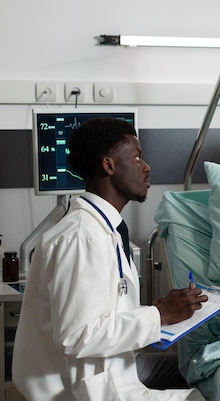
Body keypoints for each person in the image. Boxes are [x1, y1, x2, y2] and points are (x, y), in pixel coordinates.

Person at [12, 117, 207, 401]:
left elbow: (100, 312)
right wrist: (159, 315)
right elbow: (77, 336)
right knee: (202, 396)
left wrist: (154, 312)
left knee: (202, 366)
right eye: (138, 157)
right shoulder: (82, 237)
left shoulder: (105, 229)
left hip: (109, 369)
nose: (147, 166)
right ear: (109, 165)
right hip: (82, 389)